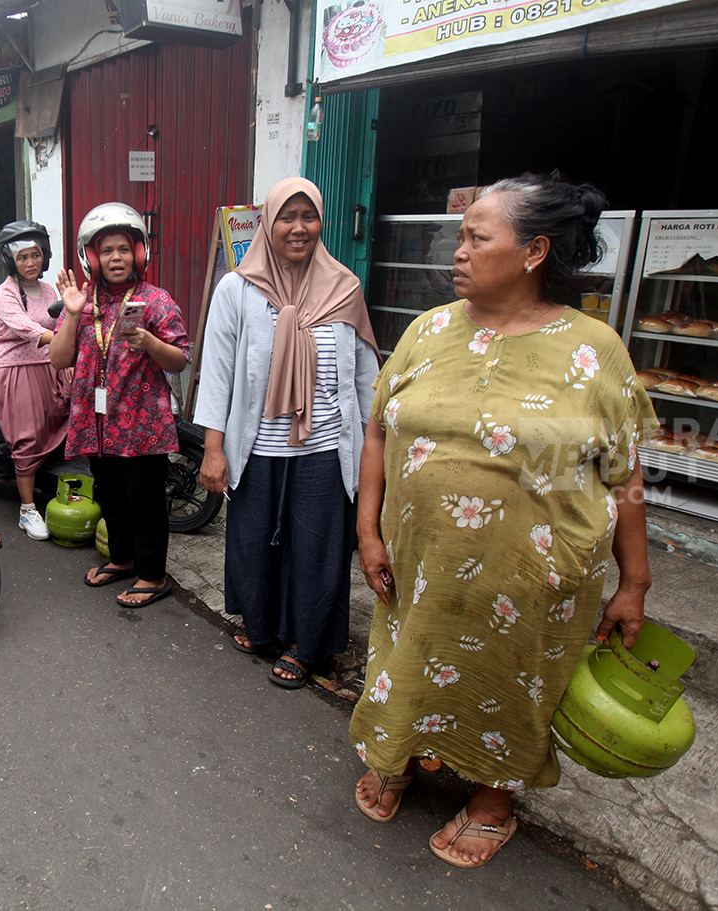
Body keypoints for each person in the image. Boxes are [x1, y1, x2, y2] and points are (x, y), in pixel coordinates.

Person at [347, 174, 656, 868]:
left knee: (510, 682)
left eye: (475, 238)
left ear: (534, 251)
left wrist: (634, 581)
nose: (456, 252)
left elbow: (624, 468)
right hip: (419, 565)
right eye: (459, 238)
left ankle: (493, 798)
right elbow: (377, 434)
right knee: (407, 657)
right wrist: (368, 530)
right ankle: (397, 752)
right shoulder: (427, 331)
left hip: (534, 578)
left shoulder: (593, 348)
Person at [195, 177, 380, 689]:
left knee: (316, 548)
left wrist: (374, 451)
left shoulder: (344, 287)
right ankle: (262, 628)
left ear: (322, 222)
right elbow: (218, 374)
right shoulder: (237, 289)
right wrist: (213, 449)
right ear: (268, 223)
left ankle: (306, 643)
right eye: (286, 217)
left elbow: (365, 378)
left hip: (324, 447)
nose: (299, 228)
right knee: (254, 542)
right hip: (257, 447)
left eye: (309, 216)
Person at [51, 203, 189, 608]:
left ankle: (153, 576)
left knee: (144, 501)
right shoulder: (82, 299)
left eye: (124, 249)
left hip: (141, 425)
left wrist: (150, 342)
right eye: (107, 250)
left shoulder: (156, 300)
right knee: (110, 497)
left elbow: (180, 359)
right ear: (92, 257)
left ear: (139, 253)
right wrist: (73, 315)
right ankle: (124, 560)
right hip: (94, 422)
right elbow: (60, 359)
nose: (116, 258)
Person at [0, 220, 70, 540]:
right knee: (27, 441)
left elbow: (63, 319)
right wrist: (64, 341)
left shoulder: (49, 290)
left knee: (60, 427)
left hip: (50, 367)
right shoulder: (5, 294)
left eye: (35, 255)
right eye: (23, 257)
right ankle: (26, 509)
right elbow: (27, 329)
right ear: (12, 261)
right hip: (17, 374)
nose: (30, 263)